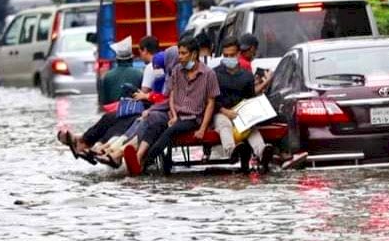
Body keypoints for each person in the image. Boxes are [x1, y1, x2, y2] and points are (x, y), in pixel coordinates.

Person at [122, 36, 220, 176]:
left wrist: (203, 128)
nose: (180, 57)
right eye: (179, 53)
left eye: (184, 53)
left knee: (170, 131)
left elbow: (211, 103)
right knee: (155, 124)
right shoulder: (177, 71)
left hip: (194, 118)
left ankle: (144, 161)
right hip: (177, 115)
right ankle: (138, 156)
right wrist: (173, 115)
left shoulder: (208, 74)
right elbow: (172, 96)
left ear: (194, 54)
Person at [213, 39, 275, 172]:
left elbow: (250, 98)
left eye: (232, 55)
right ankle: (231, 151)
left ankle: (262, 151)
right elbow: (211, 100)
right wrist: (225, 111)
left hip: (242, 112)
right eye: (226, 56)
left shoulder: (246, 76)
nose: (228, 58)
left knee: (251, 128)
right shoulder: (214, 74)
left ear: (238, 55)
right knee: (224, 125)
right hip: (221, 112)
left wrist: (250, 114)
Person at [100, 36, 144, 105]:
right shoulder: (139, 74)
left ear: (117, 60)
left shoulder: (107, 76)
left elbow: (104, 102)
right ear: (132, 59)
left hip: (112, 112)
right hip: (134, 112)